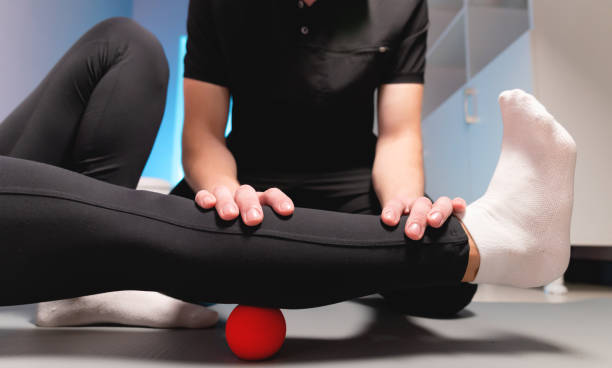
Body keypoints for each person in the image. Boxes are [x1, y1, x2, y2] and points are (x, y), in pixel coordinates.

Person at [0, 12, 576, 329]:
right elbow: (202, 133)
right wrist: (226, 191)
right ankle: (492, 242)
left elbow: (398, 134)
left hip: (351, 175)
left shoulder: (400, 4)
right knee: (204, 241)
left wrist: (405, 201)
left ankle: (477, 248)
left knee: (442, 296)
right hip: (248, 165)